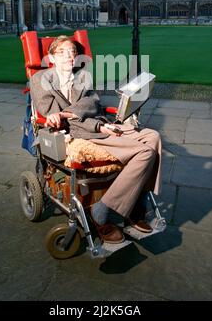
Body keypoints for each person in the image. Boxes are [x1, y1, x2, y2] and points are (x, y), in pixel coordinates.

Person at [30, 35, 162, 244]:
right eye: (63, 52)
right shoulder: (40, 79)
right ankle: (102, 210)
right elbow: (52, 115)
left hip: (98, 124)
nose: (69, 56)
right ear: (51, 58)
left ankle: (135, 202)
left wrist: (95, 120)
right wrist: (98, 126)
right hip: (77, 133)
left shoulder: (83, 76)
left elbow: (93, 104)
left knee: (153, 136)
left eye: (73, 51)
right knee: (146, 152)